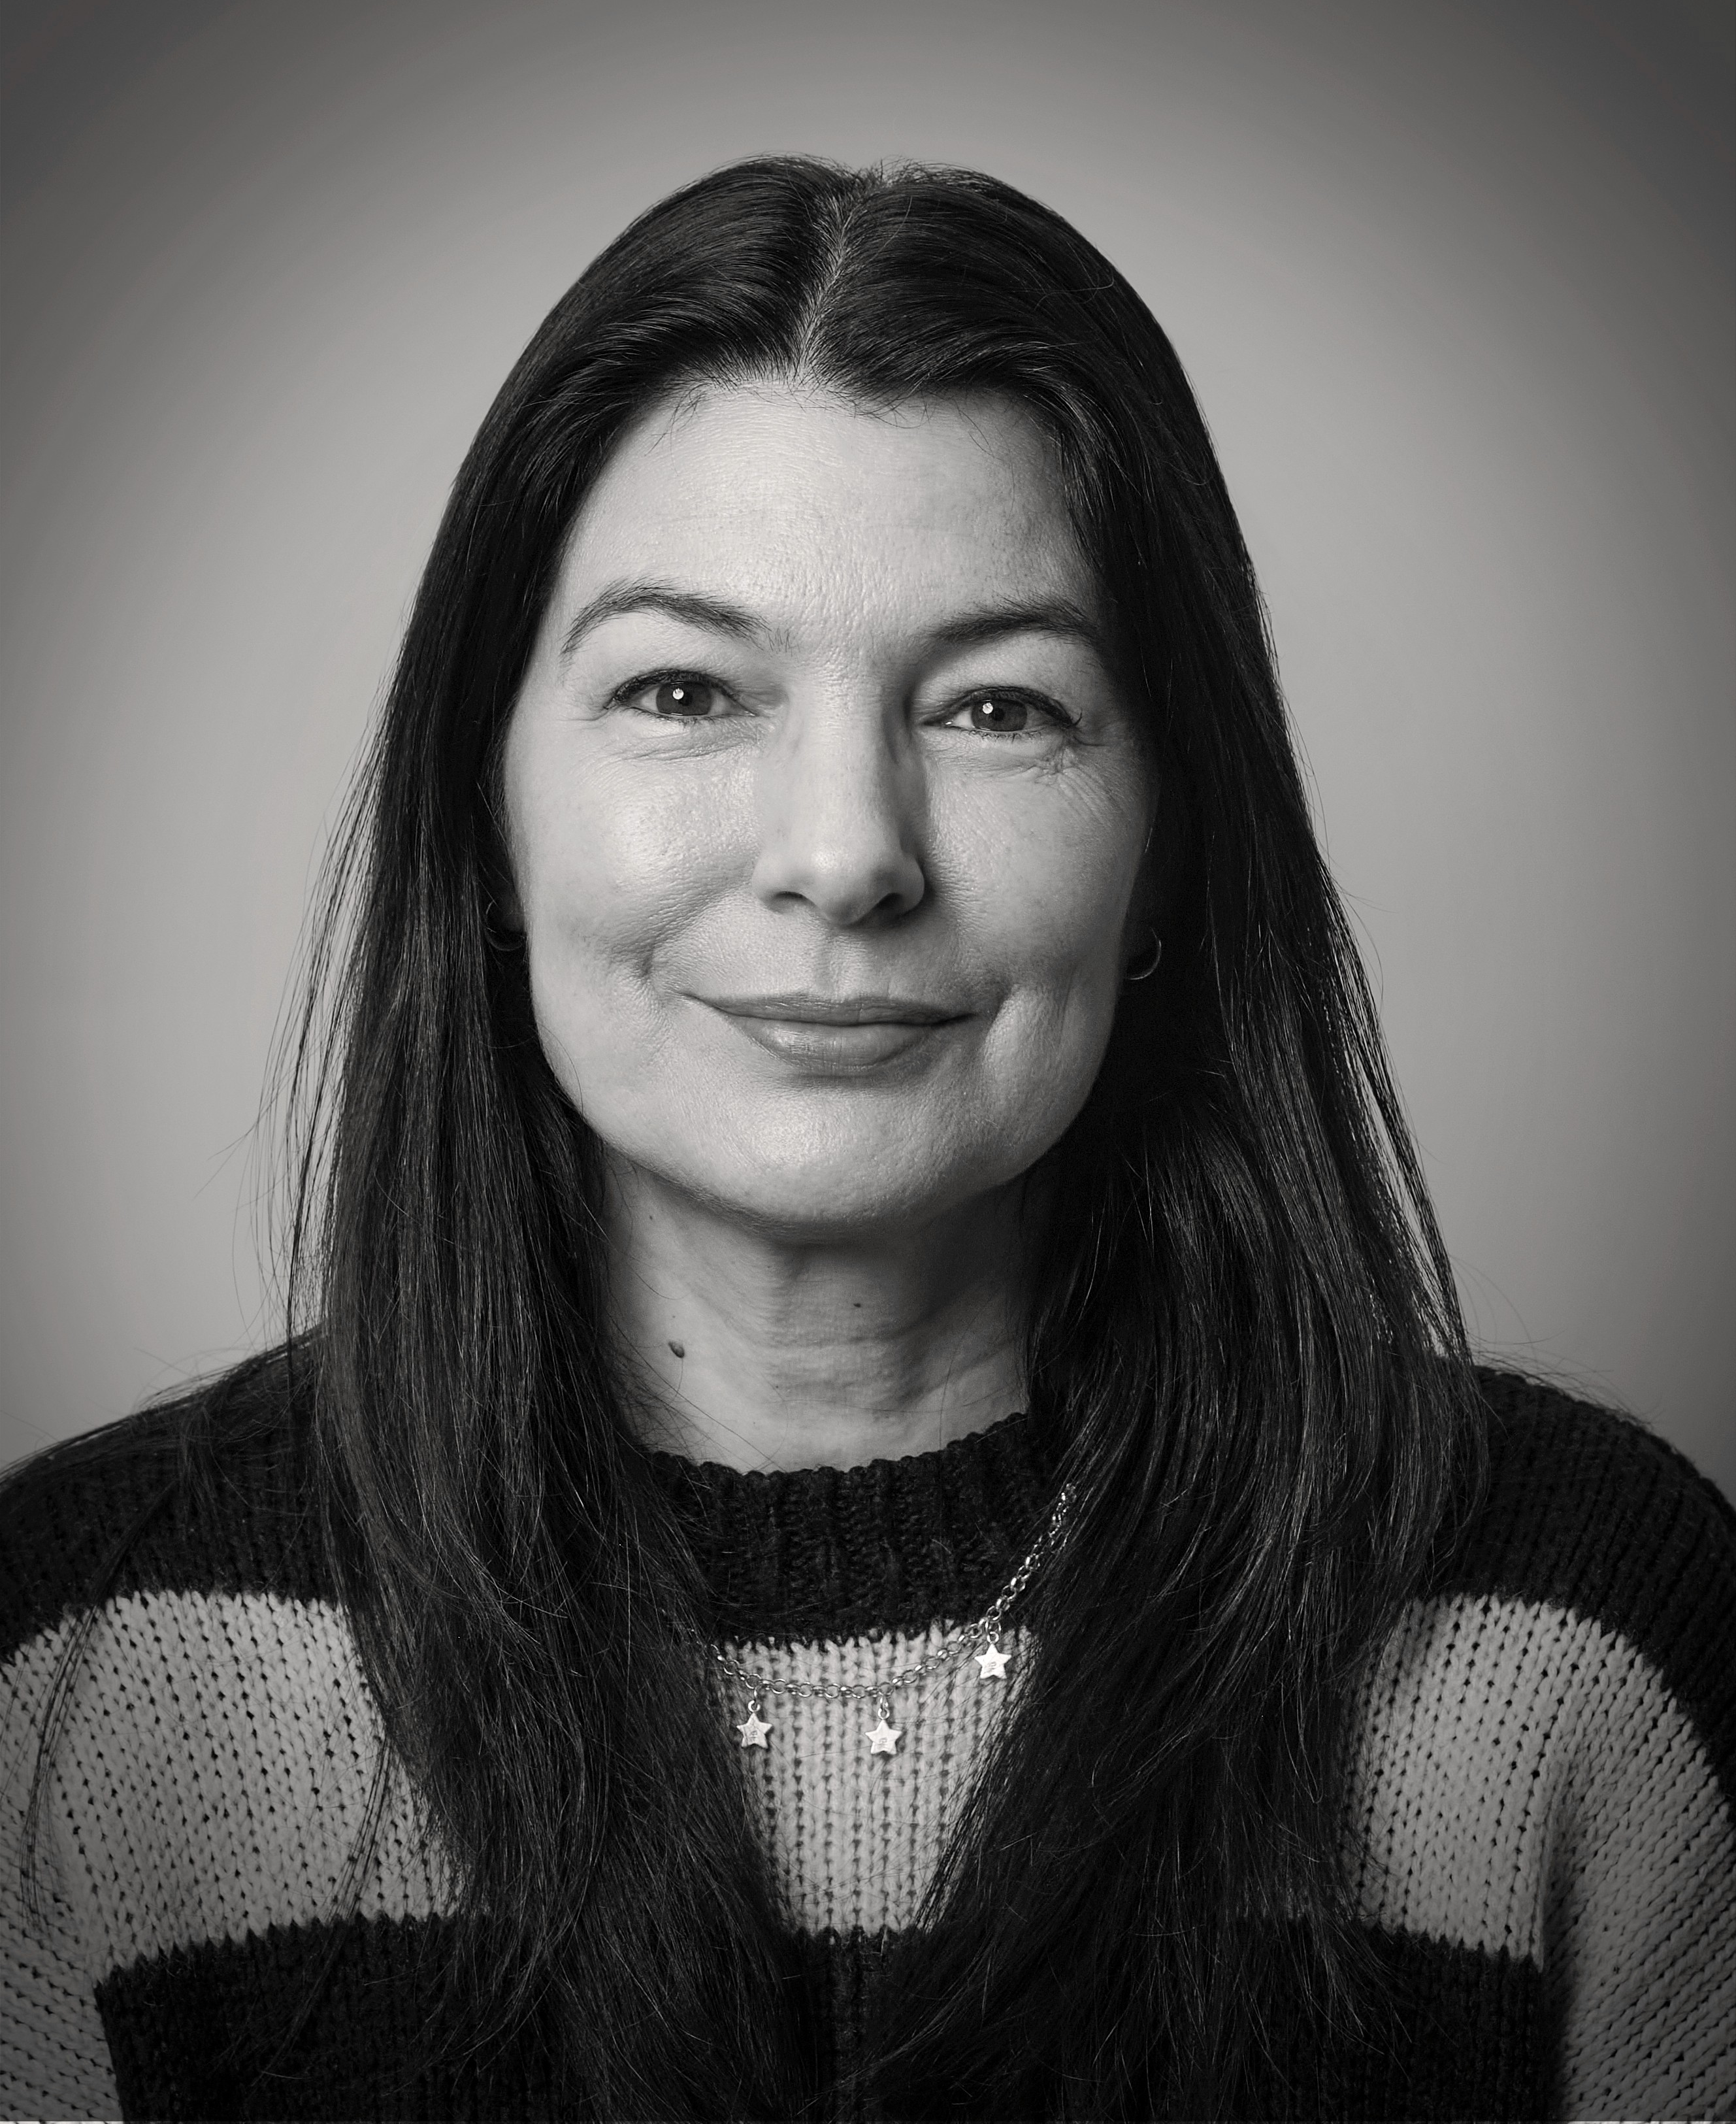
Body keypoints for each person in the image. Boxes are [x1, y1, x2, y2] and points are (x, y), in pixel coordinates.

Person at [1, 154, 1731, 2124]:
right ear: (485, 814)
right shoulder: (83, 1671)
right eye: (680, 689)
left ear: (1168, 836)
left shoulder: (1581, 1642)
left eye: (999, 707)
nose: (845, 854)